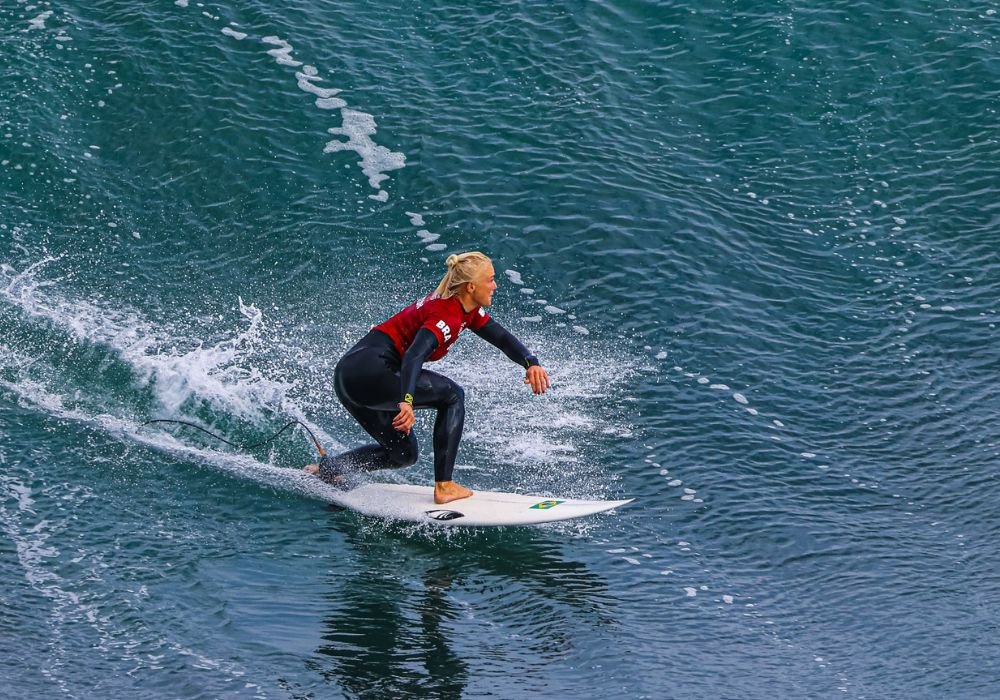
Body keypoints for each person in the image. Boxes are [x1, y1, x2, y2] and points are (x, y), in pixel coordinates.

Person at [305, 251, 551, 504]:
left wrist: (530, 363)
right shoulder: (447, 315)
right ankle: (444, 486)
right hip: (370, 372)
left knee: (402, 454)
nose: (495, 285)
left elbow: (500, 337)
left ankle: (331, 469)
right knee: (452, 396)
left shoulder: (465, 309)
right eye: (490, 279)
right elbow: (414, 355)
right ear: (470, 286)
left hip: (351, 377)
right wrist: (407, 401)